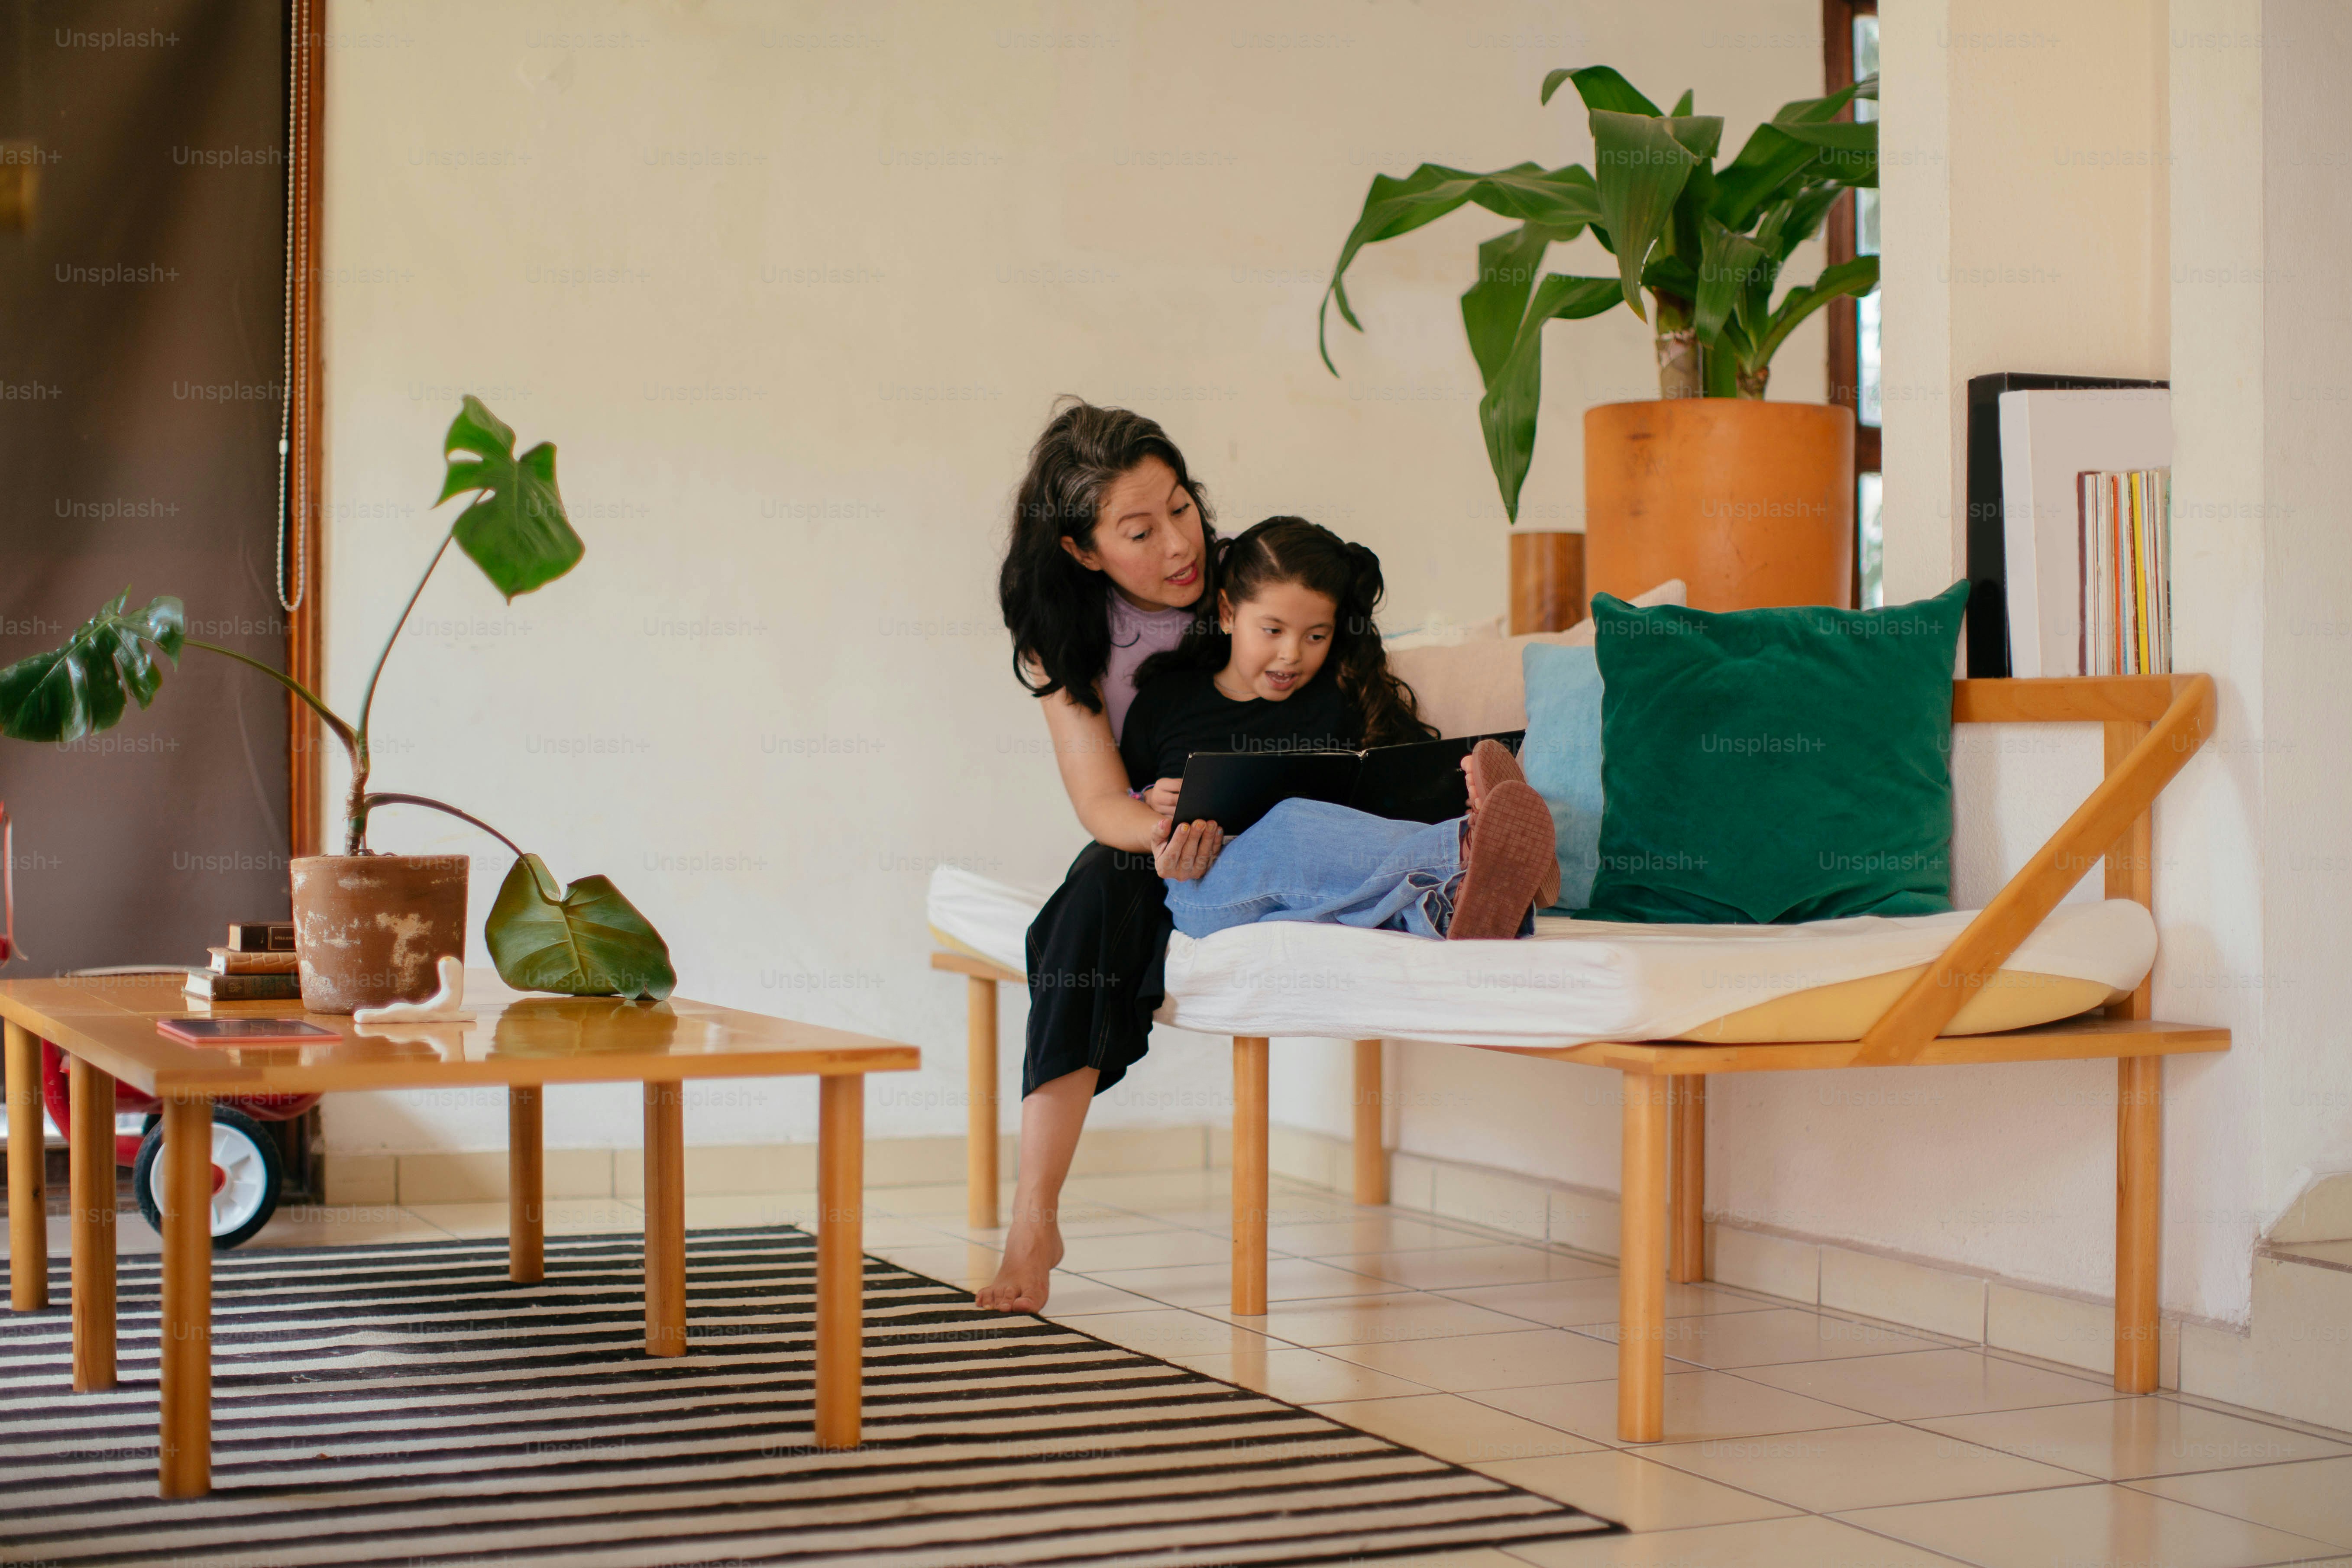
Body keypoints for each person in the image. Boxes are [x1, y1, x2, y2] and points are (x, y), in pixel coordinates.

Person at [982, 400, 1225, 1314]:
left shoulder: (1246, 581)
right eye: (1139, 529)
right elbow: (1098, 798)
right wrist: (1162, 828)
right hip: (1156, 833)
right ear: (1083, 551)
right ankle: (1034, 1214)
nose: (1178, 543)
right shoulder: (1067, 634)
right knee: (1089, 900)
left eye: (1181, 507)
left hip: (1284, 817)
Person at [1120, 517, 1558, 944]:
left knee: (1348, 873)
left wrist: (1452, 783)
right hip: (1205, 887)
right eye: (1272, 630)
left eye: (1315, 637)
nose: (1291, 655)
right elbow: (1123, 800)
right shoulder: (1168, 700)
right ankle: (1467, 849)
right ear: (1227, 612)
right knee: (1291, 822)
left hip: (1327, 883)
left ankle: (1461, 901)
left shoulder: (1341, 696)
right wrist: (1149, 804)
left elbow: (1397, 786)